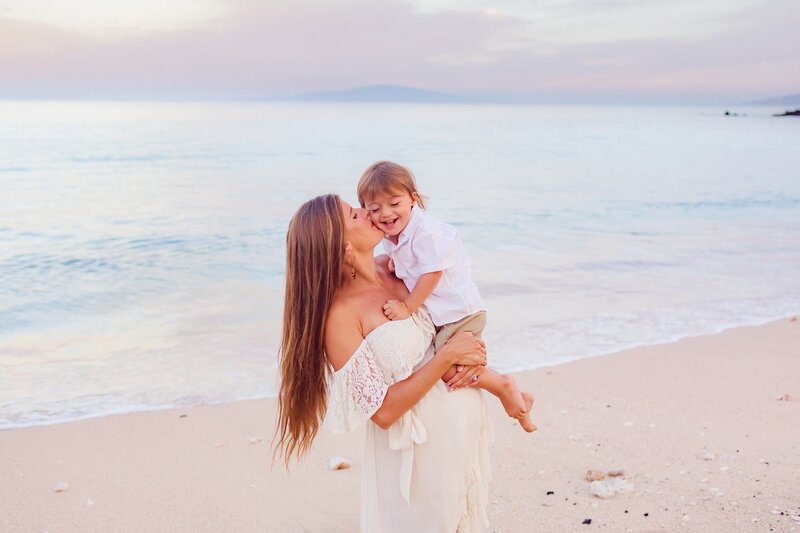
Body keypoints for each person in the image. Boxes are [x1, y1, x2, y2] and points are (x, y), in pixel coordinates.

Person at [274, 194, 494, 532]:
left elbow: (450, 313)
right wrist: (450, 357)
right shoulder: (340, 318)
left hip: (458, 432)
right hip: (417, 455)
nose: (367, 212)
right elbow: (383, 412)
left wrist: (474, 357)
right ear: (344, 246)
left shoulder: (397, 268)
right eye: (355, 215)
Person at [357, 161, 536, 432]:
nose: (386, 213)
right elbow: (408, 261)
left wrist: (407, 306)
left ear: (413, 199)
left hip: (461, 312)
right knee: (452, 365)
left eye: (394, 203)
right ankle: (518, 397)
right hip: (443, 315)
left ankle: (504, 388)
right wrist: (398, 265)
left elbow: (431, 274)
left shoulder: (426, 232)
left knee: (452, 370)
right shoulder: (393, 236)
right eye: (375, 208)